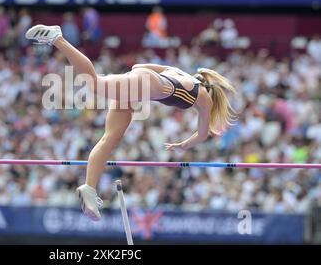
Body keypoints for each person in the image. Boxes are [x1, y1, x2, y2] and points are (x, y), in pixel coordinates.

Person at [26, 24, 238, 221]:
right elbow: (202, 135)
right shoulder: (204, 99)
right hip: (148, 86)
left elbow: (139, 65)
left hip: (142, 82)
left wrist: (136, 83)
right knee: (94, 83)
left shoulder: (180, 73)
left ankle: (89, 189)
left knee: (111, 137)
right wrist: (184, 145)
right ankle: (58, 38)